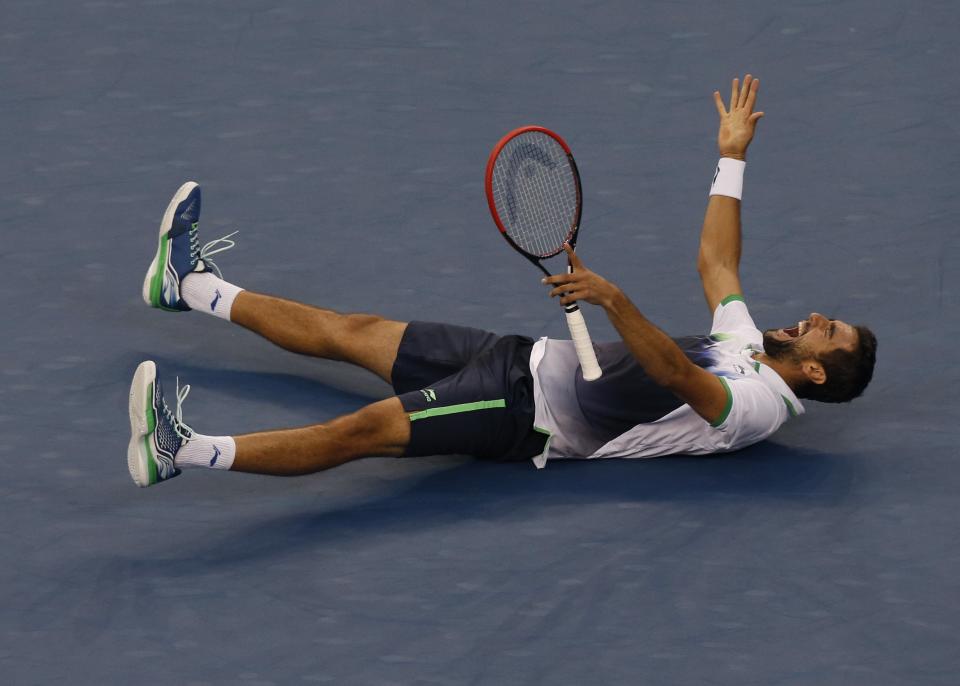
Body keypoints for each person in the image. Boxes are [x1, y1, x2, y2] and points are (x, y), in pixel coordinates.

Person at [126, 74, 876, 487]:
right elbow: (718, 265)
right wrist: (733, 158)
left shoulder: (754, 407)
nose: (814, 315)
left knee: (360, 432)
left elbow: (677, 374)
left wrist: (615, 300)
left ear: (814, 370)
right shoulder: (749, 343)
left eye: (827, 329)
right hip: (519, 356)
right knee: (349, 329)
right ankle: (187, 287)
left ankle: (181, 452)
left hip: (526, 415)